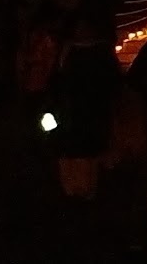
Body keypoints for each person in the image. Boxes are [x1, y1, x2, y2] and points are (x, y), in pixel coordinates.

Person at [50, 14, 121, 200]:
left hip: (93, 106)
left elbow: (112, 81)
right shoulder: (68, 50)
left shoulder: (101, 51)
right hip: (73, 107)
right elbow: (59, 77)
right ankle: (73, 188)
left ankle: (88, 188)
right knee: (73, 145)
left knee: (90, 146)